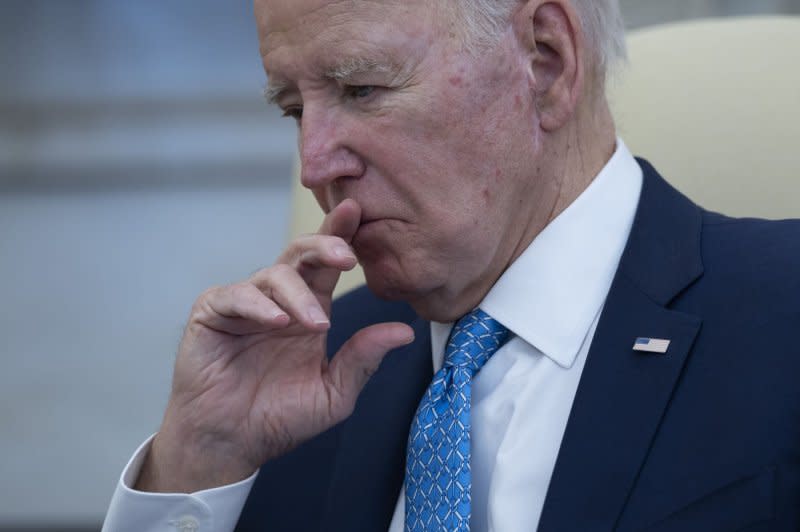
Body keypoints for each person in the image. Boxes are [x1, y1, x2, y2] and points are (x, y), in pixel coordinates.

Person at [103, 0, 800, 530]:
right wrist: (199, 464)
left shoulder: (783, 310)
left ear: (545, 60)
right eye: (293, 109)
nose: (314, 165)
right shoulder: (293, 384)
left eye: (362, 90)